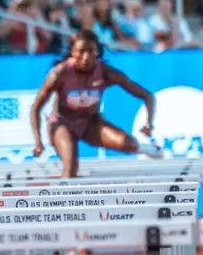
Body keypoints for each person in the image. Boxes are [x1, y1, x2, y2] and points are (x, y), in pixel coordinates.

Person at [31, 29, 159, 177]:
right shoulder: (59, 73)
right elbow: (36, 108)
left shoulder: (106, 73)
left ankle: (143, 147)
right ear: (73, 52)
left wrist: (149, 123)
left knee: (127, 144)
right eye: (81, 51)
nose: (86, 57)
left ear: (97, 52)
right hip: (62, 123)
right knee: (70, 170)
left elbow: (147, 96)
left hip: (90, 123)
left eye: (91, 51)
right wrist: (38, 141)